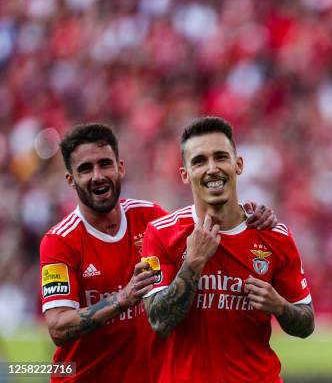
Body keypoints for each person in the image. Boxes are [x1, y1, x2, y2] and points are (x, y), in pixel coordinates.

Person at [39, 123, 277, 382]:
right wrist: (122, 299)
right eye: (85, 169)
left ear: (120, 168)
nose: (97, 175)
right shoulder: (60, 241)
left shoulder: (150, 218)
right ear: (71, 180)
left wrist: (246, 214)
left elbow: (205, 231)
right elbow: (58, 327)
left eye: (105, 164)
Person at [142, 116, 315, 382]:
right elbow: (158, 322)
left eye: (221, 157)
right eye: (199, 161)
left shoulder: (275, 237)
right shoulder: (162, 234)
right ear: (185, 175)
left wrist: (279, 306)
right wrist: (194, 263)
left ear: (239, 164)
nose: (212, 168)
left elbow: (306, 324)